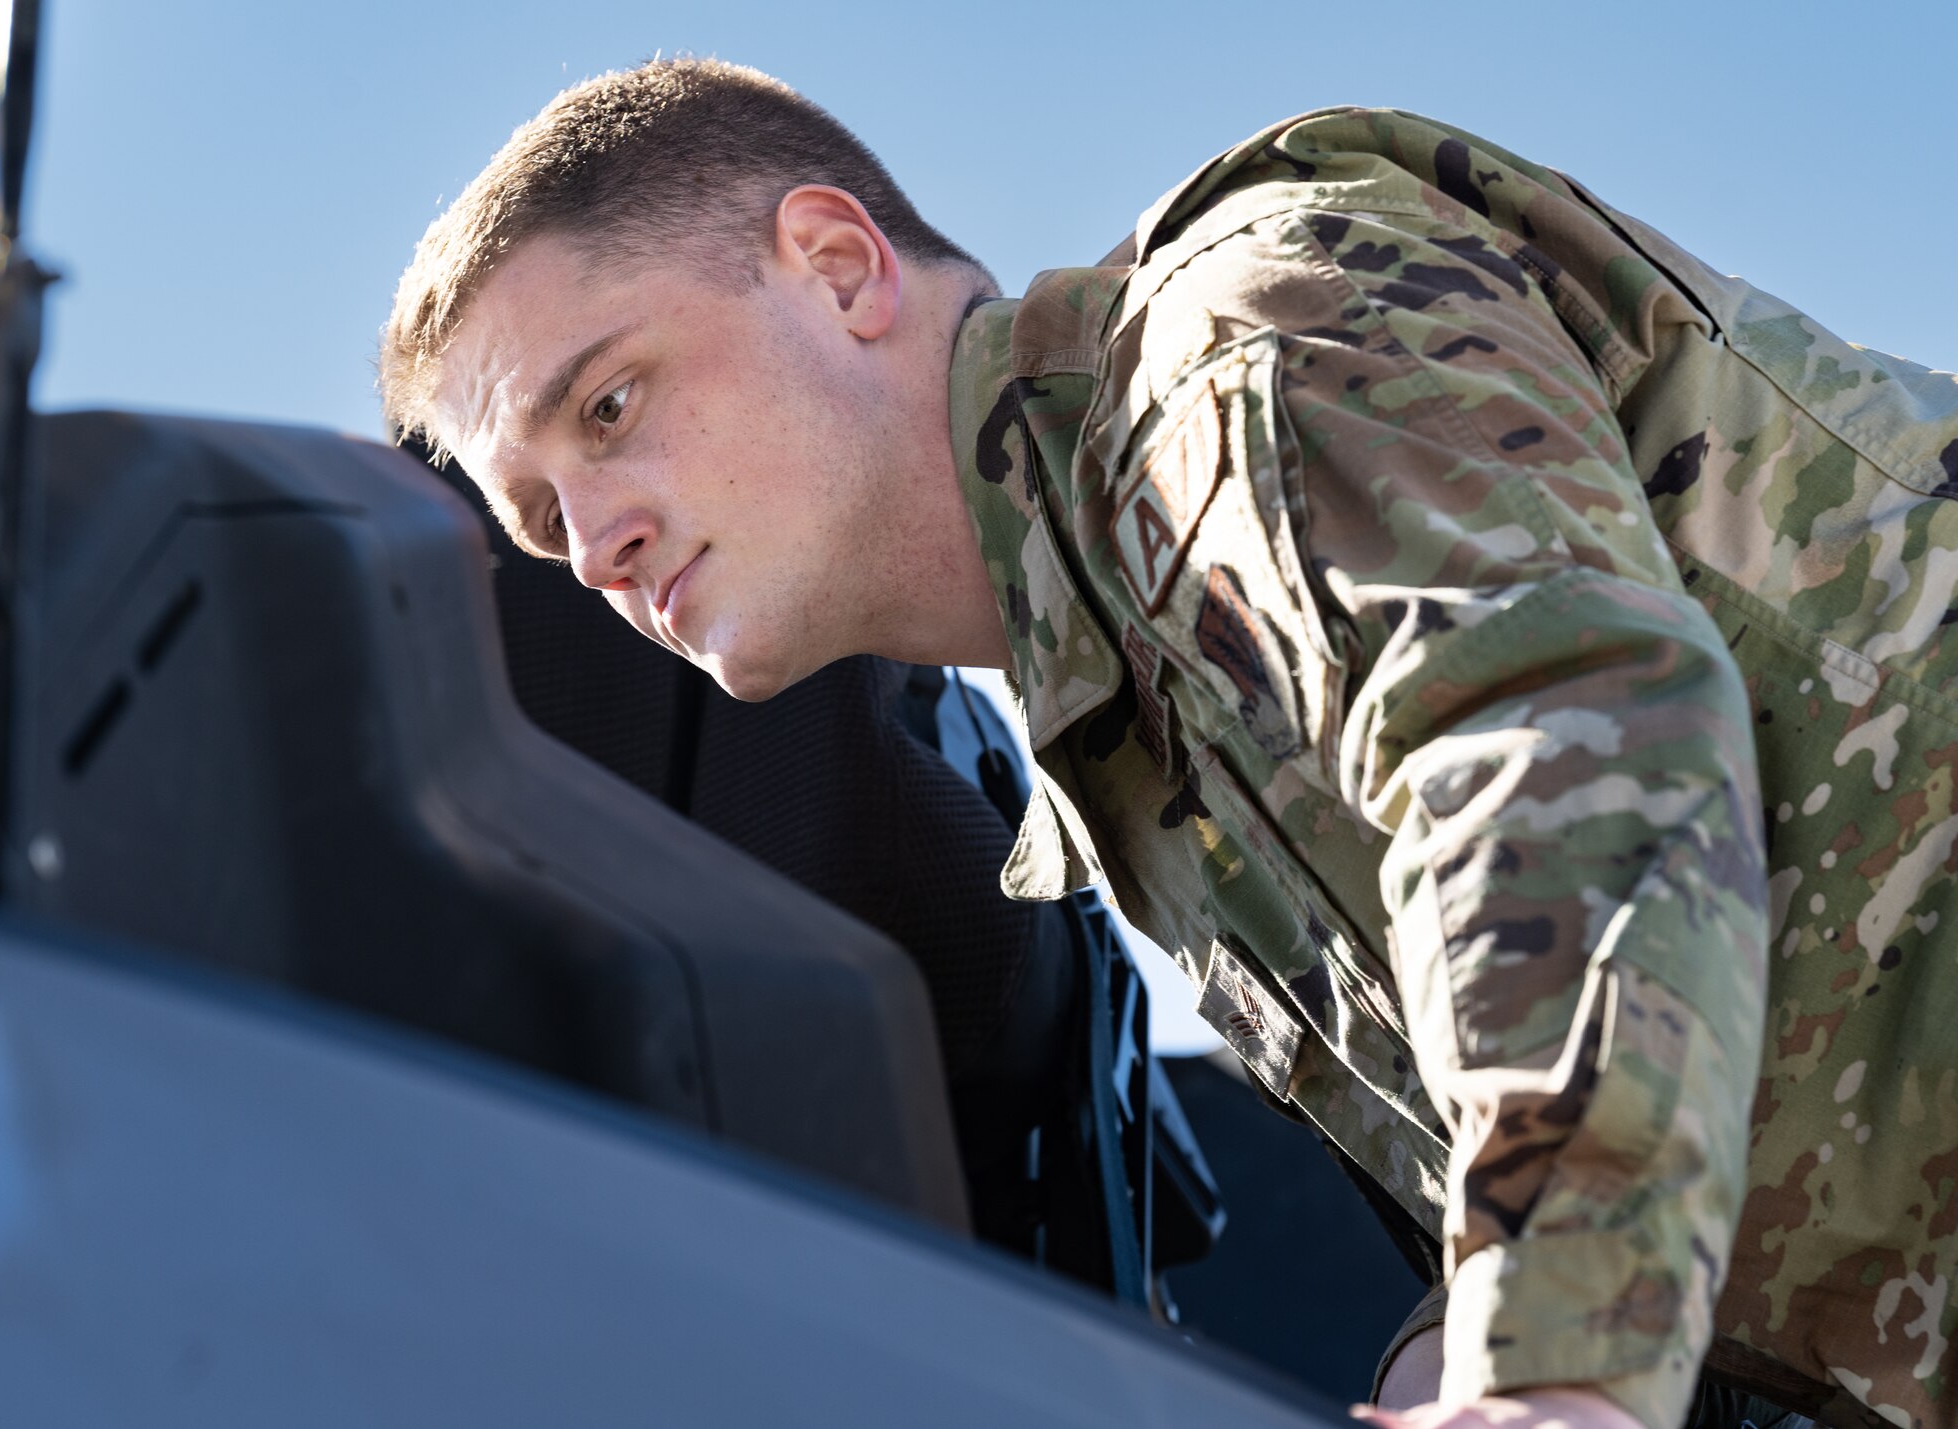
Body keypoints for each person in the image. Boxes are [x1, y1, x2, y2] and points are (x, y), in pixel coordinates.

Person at [379, 59, 1958, 1429]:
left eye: (607, 407)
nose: (593, 542)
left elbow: (1562, 747)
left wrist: (1551, 1370)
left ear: (838, 267)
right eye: (538, 519)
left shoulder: (1222, 352)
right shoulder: (1121, 730)